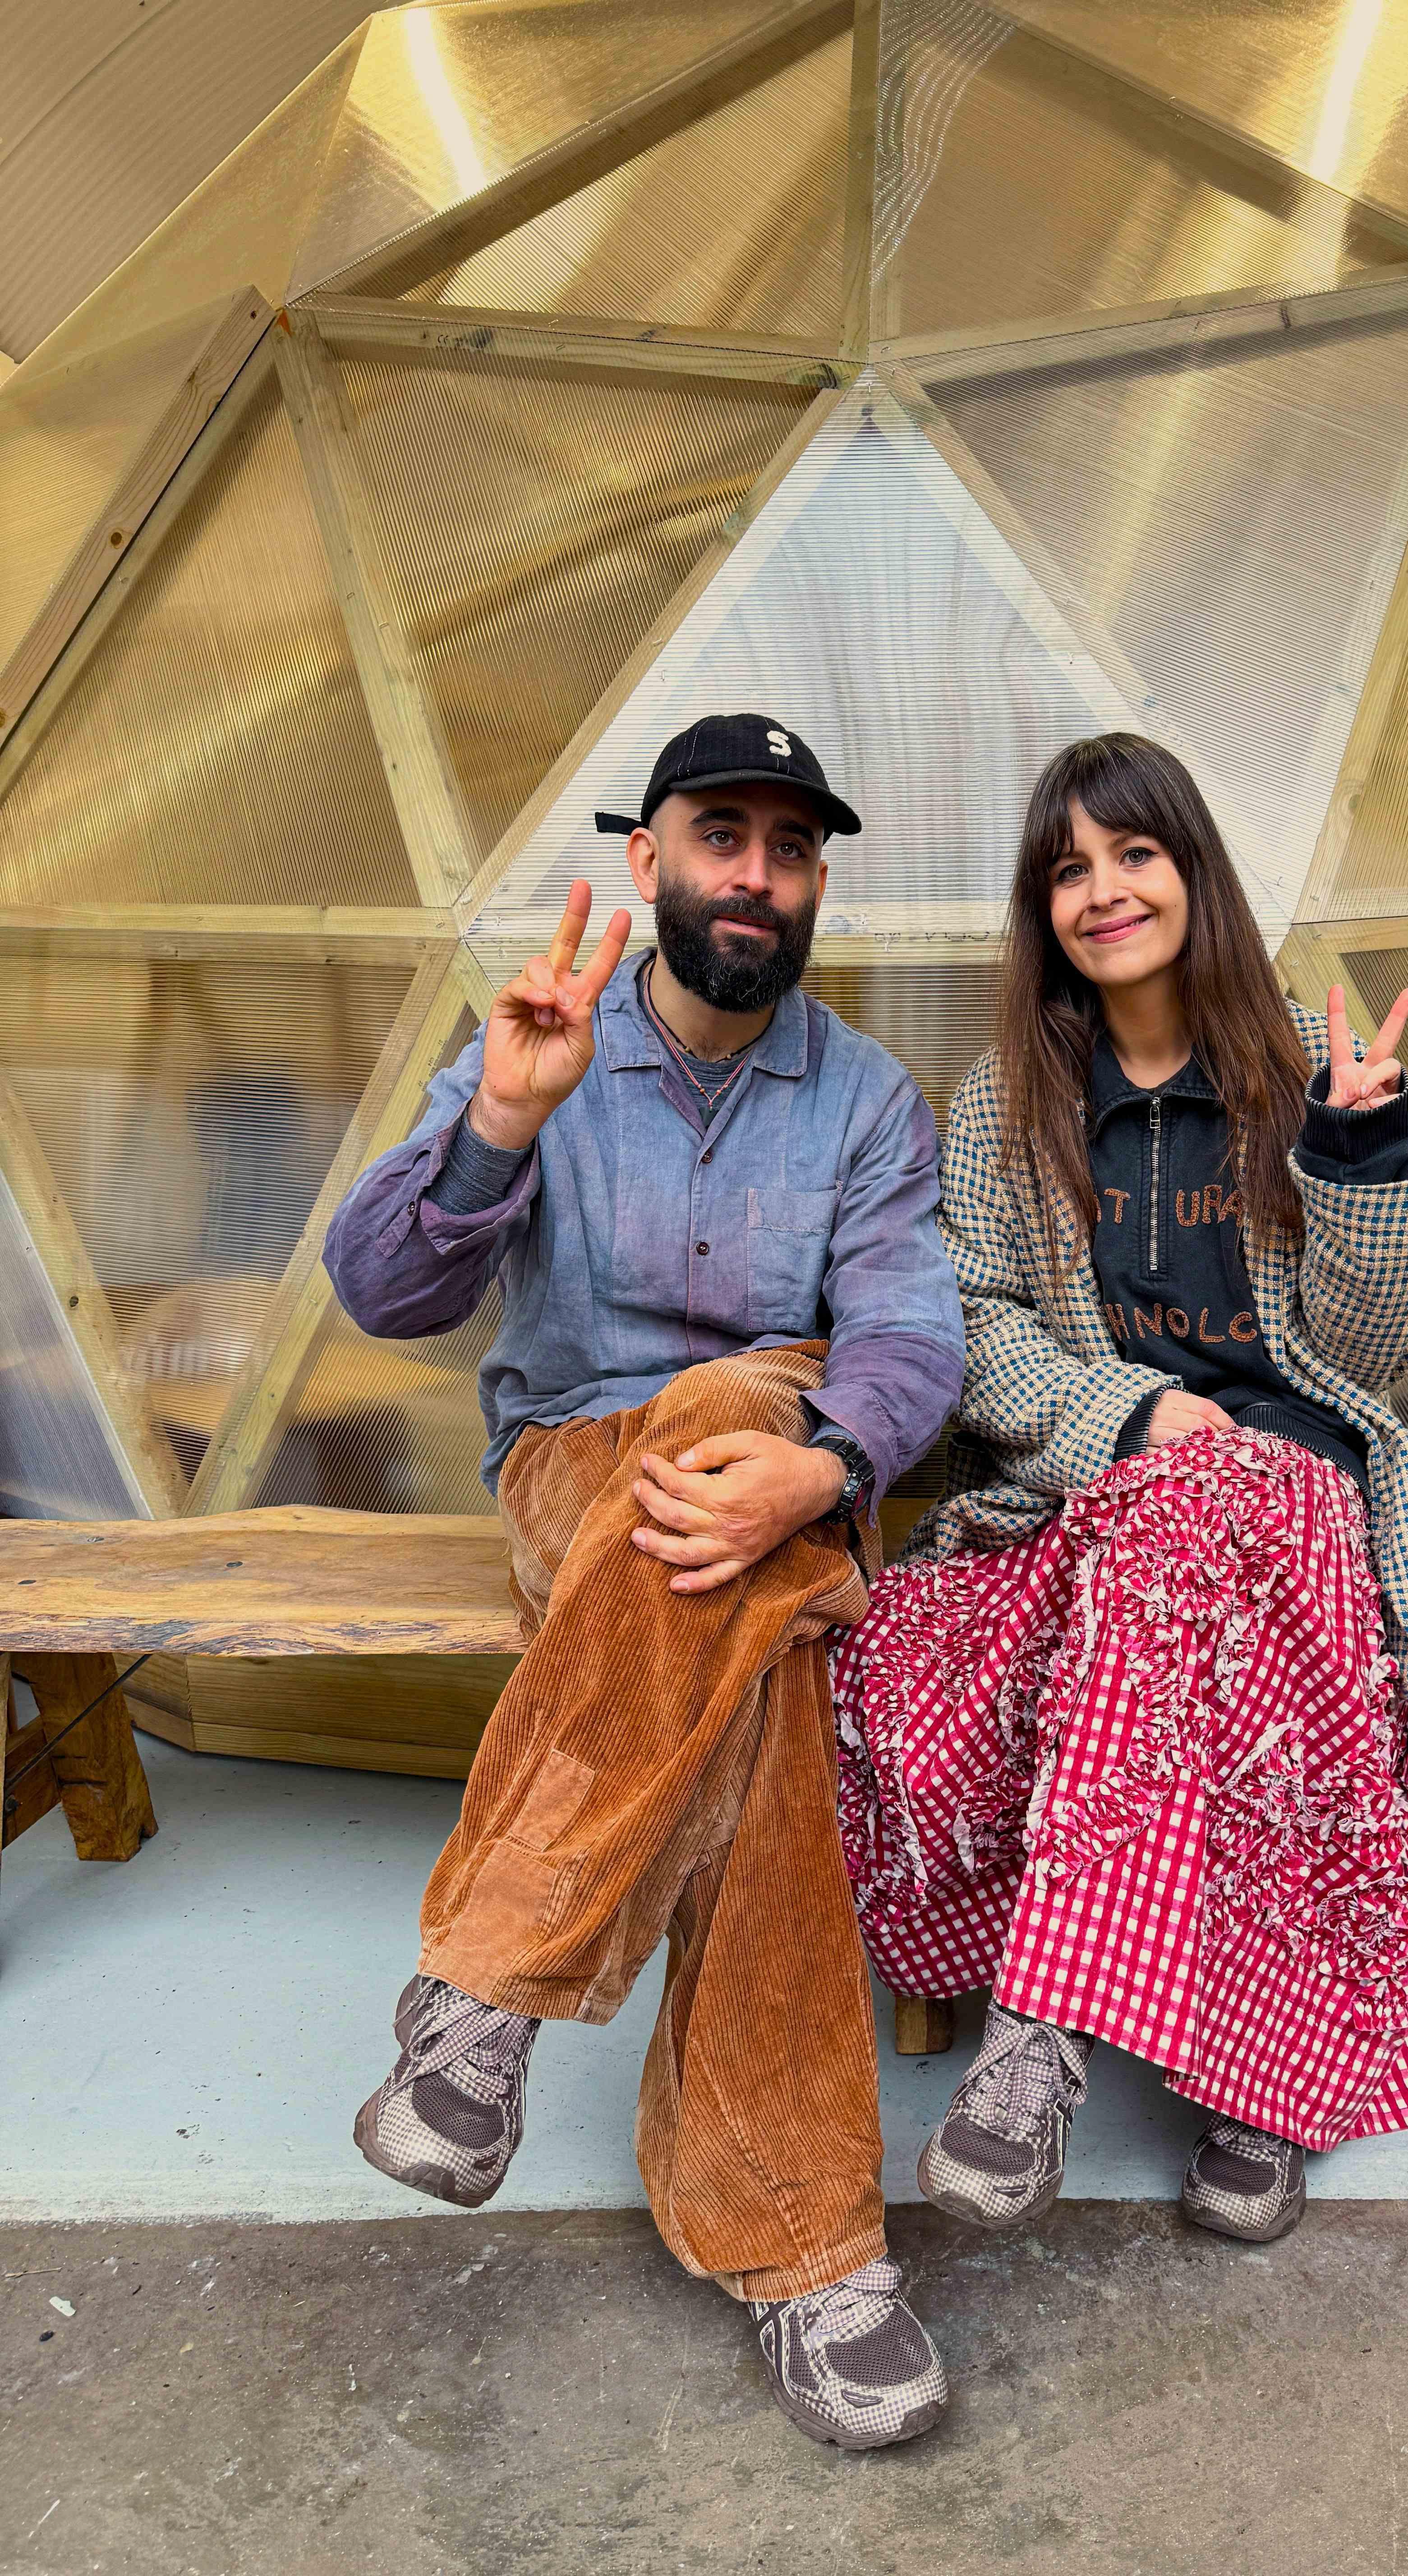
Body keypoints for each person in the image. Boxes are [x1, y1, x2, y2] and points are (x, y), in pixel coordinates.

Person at [323, 714, 966, 2452]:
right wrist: (494, 1136)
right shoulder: (543, 1037)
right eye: (720, 835)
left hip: (786, 1472)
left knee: (734, 1420)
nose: (754, 874)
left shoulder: (868, 1101)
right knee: (739, 1586)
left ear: (817, 881)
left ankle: (485, 1994)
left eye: (788, 846)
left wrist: (824, 1466)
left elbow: (911, 1337)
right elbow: (381, 1295)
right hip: (569, 1479)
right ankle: (808, 2255)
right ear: (649, 860)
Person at [830, 732, 1408, 2247]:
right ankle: (1258, 2089)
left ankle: (1045, 2036)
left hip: (1307, 1507)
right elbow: (970, 1325)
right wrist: (1132, 1416)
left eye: (1133, 853)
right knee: (963, 1621)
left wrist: (1367, 1151)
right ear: (1039, 906)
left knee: (1215, 1523)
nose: (1103, 889)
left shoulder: (1313, 1076)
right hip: (1100, 1500)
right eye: (1067, 867)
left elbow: (1380, 1349)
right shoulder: (1006, 1103)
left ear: (1193, 871)